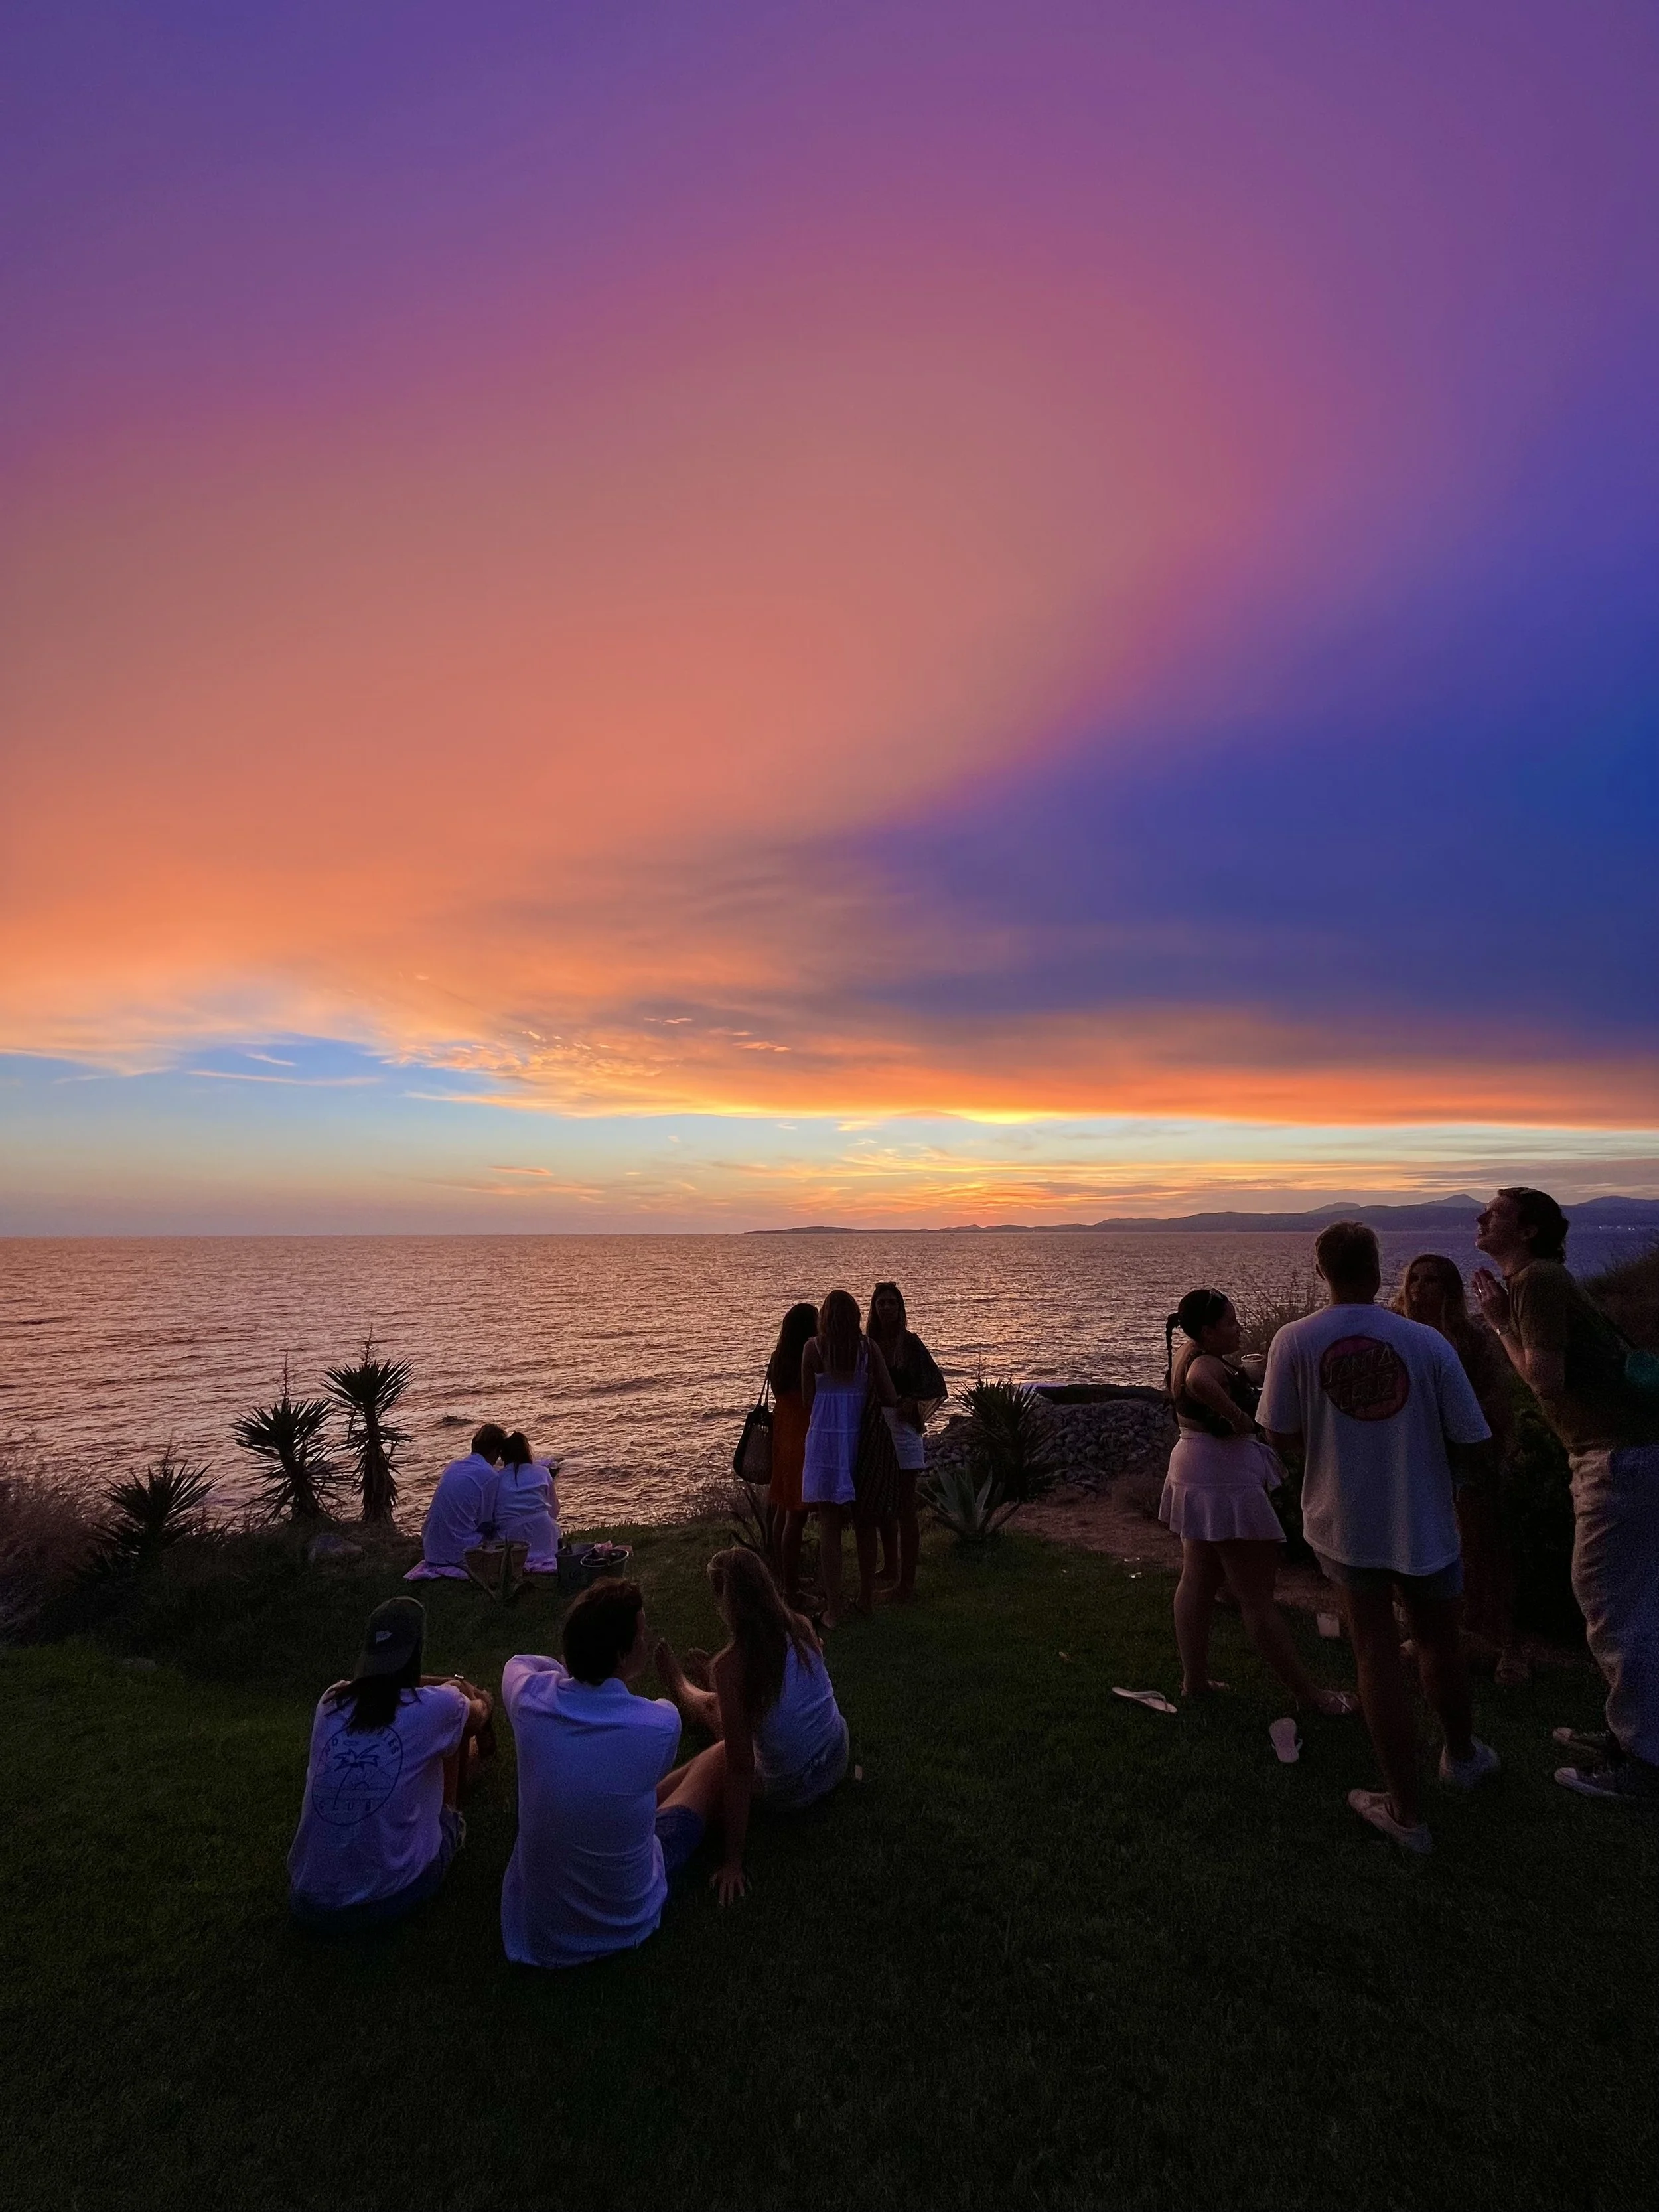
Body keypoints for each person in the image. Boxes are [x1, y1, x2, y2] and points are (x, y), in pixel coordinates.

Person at [1260, 1220, 1499, 1854]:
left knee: (1374, 1650)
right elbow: (1473, 1437)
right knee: (1437, 1643)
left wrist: (1332, 1452)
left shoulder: (1294, 1340)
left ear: (1322, 1271)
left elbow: (1278, 1434)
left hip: (1345, 1522)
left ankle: (1406, 1809)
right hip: (1427, 1519)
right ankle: (1461, 1754)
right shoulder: (1426, 1342)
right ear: (1378, 1266)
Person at [1473, 1186, 1659, 1806]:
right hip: (1625, 1454)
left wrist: (1500, 1323)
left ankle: (1641, 1765)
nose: (1481, 1217)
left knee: (1610, 1605)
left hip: (1617, 1460)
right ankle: (1628, 1733)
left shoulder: (1538, 1282)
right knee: (1632, 1603)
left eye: (1494, 1213)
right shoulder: (1544, 1278)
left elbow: (1544, 1380)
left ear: (1526, 1230)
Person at [500, 1578, 725, 1968]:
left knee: (623, 1790)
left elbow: (519, 1663)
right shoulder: (658, 1722)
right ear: (622, 1656)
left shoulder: (528, 1699)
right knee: (719, 1756)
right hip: (626, 1921)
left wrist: (558, 1673)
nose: (646, 1639)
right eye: (641, 1634)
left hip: (538, 1934)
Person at [1159, 1288, 1356, 1716]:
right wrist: (1238, 1417)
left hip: (1194, 1470)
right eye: (1231, 1323)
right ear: (1209, 1331)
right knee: (1256, 1598)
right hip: (1223, 1482)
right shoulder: (1204, 1365)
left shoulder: (1190, 1350)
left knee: (1197, 1578)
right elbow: (1200, 1382)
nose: (1239, 1328)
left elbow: (1200, 1377)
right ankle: (1311, 1697)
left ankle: (1195, 1683)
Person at [655, 1547, 850, 1903]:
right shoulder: (802, 1626)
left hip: (792, 1791)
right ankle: (694, 1688)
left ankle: (683, 1688)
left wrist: (734, 1861)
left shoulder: (732, 1665)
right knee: (729, 1710)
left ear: (724, 1601)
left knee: (721, 1730)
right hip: (837, 1757)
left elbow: (740, 1767)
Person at [287, 1596, 493, 1932]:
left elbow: (371, 1688)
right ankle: (452, 1821)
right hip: (390, 1897)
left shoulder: (331, 1702)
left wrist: (449, 1685)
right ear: (417, 1651)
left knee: (440, 1730)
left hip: (307, 1901)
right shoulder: (437, 1708)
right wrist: (475, 1695)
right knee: (454, 1732)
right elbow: (478, 1715)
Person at [1392, 1254, 1527, 1685]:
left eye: (1432, 1279)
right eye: (1415, 1277)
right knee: (1416, 1549)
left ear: (1449, 1288)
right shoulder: (1394, 1331)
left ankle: (1504, 1643)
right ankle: (1431, 1633)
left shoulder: (1469, 1338)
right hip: (1413, 1457)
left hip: (1464, 1455)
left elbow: (1493, 1399)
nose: (1421, 1286)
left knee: (1479, 1548)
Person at [802, 1289, 897, 1627]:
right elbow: (889, 1395)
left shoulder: (812, 1349)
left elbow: (807, 1402)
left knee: (829, 1526)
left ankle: (834, 1609)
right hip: (863, 1441)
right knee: (865, 1521)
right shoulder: (868, 1349)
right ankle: (867, 1598)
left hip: (826, 1444)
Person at [866, 1281, 947, 1602]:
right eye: (880, 1303)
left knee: (905, 1506)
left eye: (891, 1303)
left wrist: (911, 1403)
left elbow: (935, 1385)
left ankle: (907, 1585)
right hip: (875, 1427)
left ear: (900, 1309)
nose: (886, 1308)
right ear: (873, 1308)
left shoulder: (910, 1344)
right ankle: (889, 1567)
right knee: (883, 1501)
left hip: (903, 1427)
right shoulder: (868, 1343)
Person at [409, 1423, 507, 1580]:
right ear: (496, 1451)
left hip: (432, 1550)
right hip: (458, 1553)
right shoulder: (490, 1476)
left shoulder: (453, 1467)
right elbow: (485, 1523)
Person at [493, 1430, 560, 1581]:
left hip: (510, 1538)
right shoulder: (543, 1473)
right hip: (545, 1534)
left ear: (503, 1456)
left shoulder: (497, 1478)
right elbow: (554, 1511)